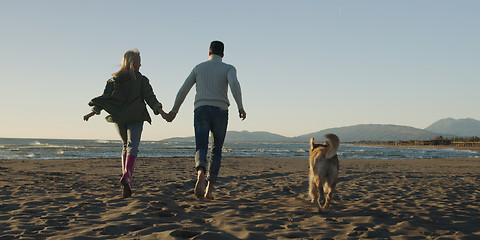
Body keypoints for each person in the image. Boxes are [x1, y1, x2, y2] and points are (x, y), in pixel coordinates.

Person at [166, 41, 246, 200]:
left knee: (200, 146)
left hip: (201, 109)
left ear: (209, 53)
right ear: (222, 54)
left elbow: (183, 89)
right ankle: (209, 190)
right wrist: (240, 107)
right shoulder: (229, 68)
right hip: (221, 110)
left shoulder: (198, 68)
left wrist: (174, 110)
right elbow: (235, 85)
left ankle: (200, 172)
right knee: (216, 150)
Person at [83, 49, 168, 198]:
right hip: (136, 117)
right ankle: (127, 177)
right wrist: (163, 113)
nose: (141, 64)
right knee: (132, 147)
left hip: (119, 117)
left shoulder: (113, 80)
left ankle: (126, 178)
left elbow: (105, 99)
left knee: (124, 145)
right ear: (134, 62)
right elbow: (151, 98)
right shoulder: (141, 80)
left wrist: (92, 112)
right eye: (139, 61)